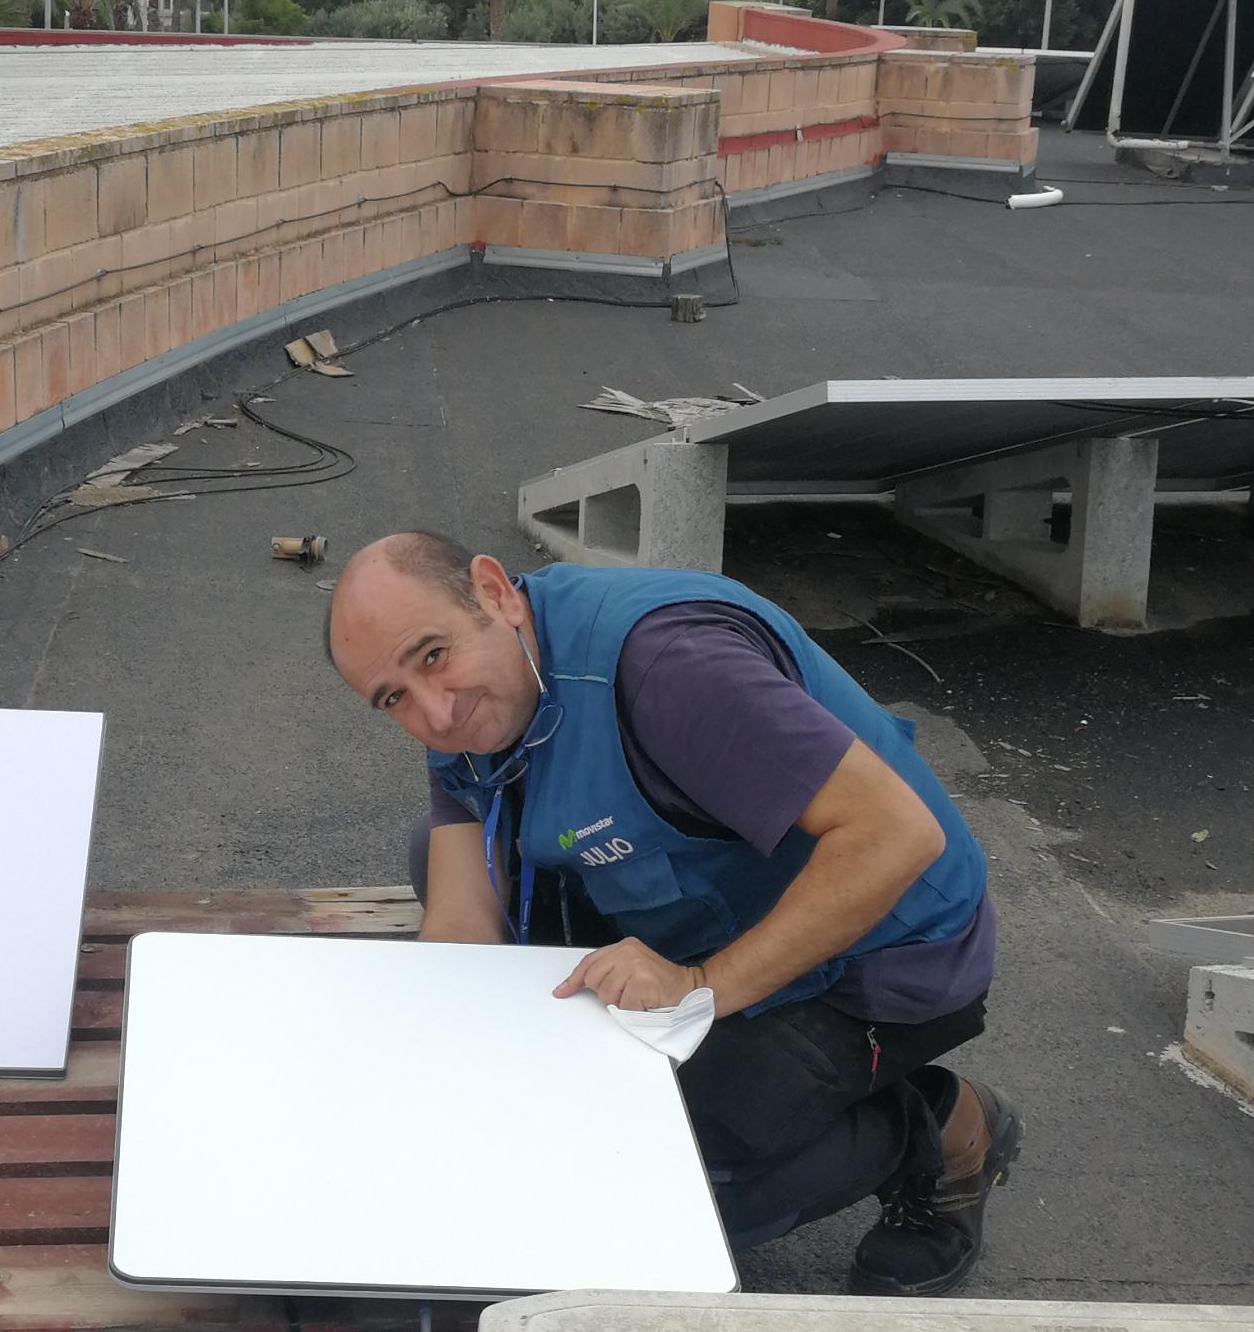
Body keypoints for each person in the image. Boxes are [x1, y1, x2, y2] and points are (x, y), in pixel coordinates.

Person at [322, 530, 1018, 1292]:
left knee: (670, 1190)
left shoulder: (671, 669)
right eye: (393, 698)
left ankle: (938, 1131)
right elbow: (462, 923)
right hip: (710, 893)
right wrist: (412, 1084)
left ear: (494, 592)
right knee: (442, 848)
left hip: (885, 944)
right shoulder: (475, 689)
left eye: (432, 657)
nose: (436, 712)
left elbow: (896, 835)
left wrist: (698, 984)